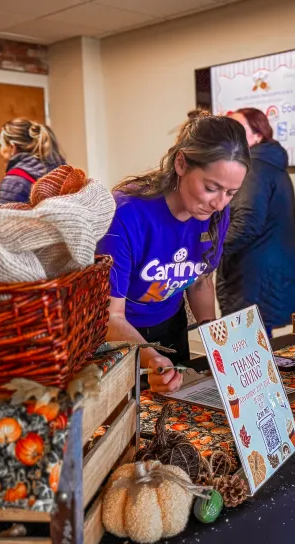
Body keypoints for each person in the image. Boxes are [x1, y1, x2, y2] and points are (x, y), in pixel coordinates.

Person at [96, 111, 249, 393]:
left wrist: (212, 334)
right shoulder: (127, 213)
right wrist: (152, 358)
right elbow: (111, 316)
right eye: (211, 188)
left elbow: (201, 278)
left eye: (231, 193)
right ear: (181, 163)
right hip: (121, 334)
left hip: (170, 325)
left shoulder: (216, 211)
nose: (219, 203)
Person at [217, 108, 295, 335]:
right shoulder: (269, 164)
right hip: (270, 271)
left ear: (257, 135)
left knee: (249, 348)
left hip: (252, 276)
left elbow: (247, 224)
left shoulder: (253, 168)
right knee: (262, 343)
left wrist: (208, 248)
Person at [0, 118, 67, 206]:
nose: (0, 150)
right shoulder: (62, 173)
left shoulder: (14, 182)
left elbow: (5, 219)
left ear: (12, 148)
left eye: (0, 145)